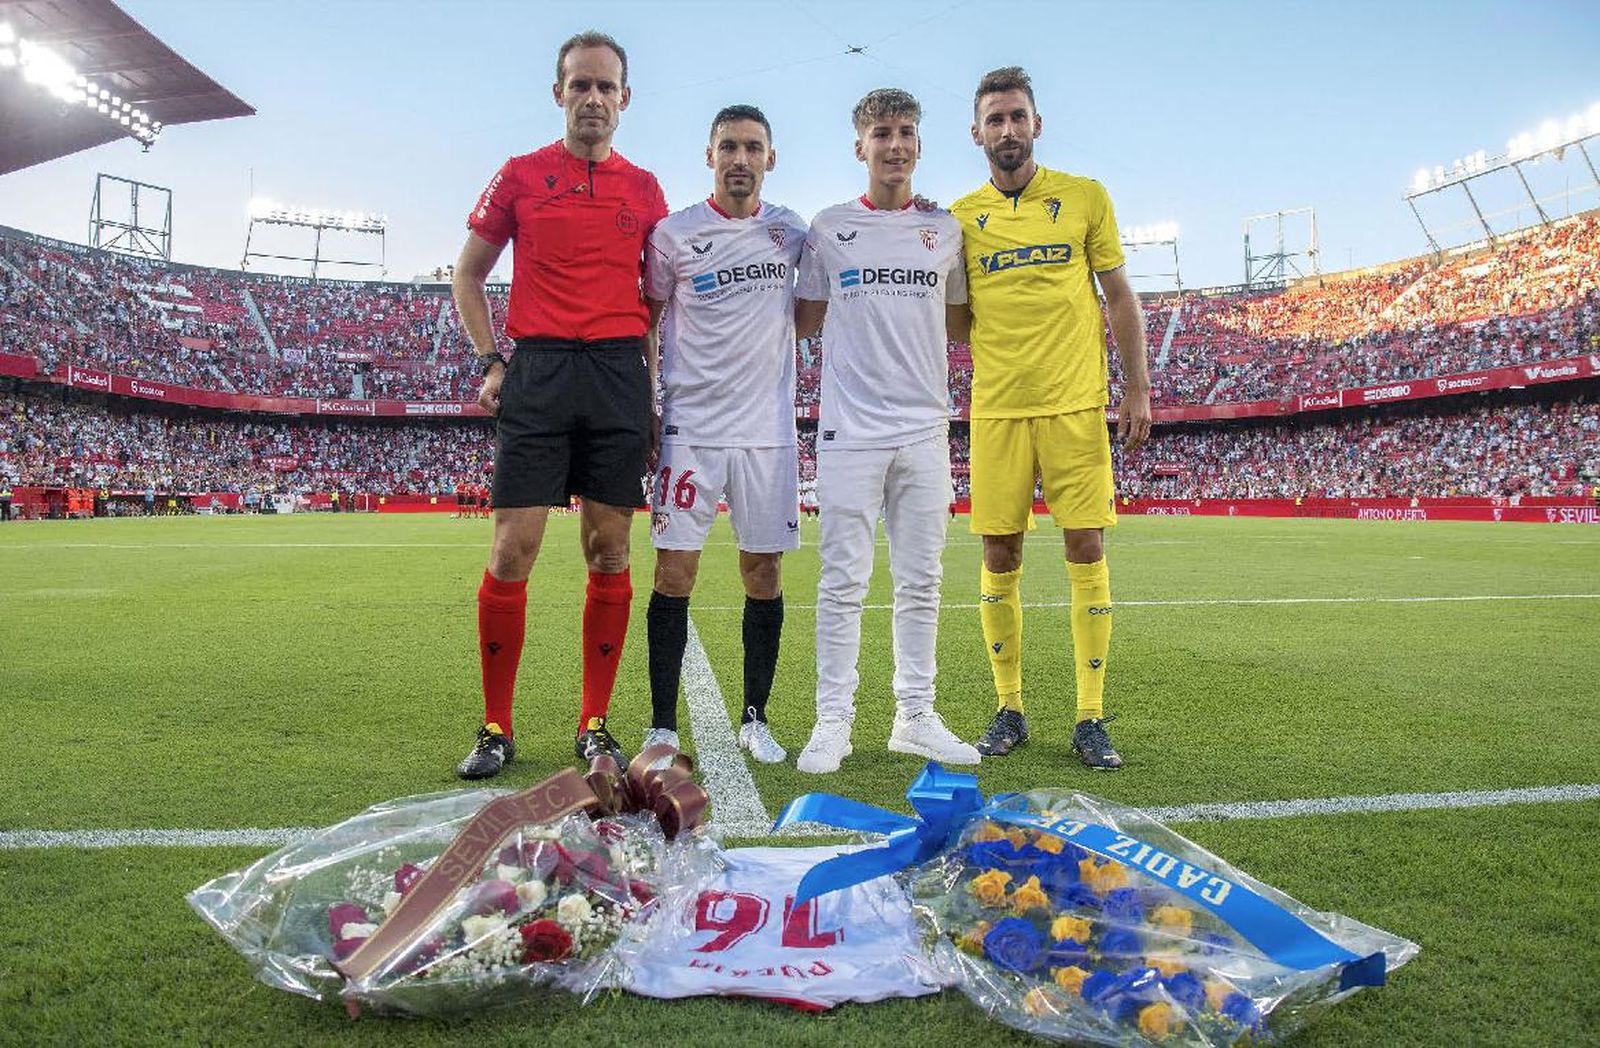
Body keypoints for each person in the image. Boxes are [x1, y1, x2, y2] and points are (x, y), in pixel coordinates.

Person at [451, 30, 668, 779]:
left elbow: (652, 303)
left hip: (615, 374)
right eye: (580, 85)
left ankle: (594, 724)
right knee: (514, 551)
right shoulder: (519, 175)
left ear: (625, 100)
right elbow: (469, 275)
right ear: (558, 94)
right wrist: (491, 360)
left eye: (606, 87)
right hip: (538, 370)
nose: (593, 99)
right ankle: (494, 725)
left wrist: (653, 389)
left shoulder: (645, 190)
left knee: (609, 549)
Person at [947, 66, 1152, 770]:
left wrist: (1138, 390)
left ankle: (1090, 718)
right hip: (999, 408)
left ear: (1037, 124)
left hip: (1073, 406)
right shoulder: (960, 218)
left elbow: (1120, 298)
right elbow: (955, 320)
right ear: (977, 133)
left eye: (1018, 116)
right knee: (998, 554)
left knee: (1086, 548)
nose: (1007, 129)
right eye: (995, 119)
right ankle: (1010, 709)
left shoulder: (1086, 197)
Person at [791, 88, 981, 774]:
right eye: (881, 132)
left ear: (919, 144)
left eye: (905, 131)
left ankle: (915, 716)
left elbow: (963, 322)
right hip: (850, 430)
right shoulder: (829, 227)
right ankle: (833, 719)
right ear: (860, 146)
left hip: (926, 428)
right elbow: (802, 320)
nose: (894, 144)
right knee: (843, 580)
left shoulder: (947, 230)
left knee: (921, 580)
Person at [641, 104, 806, 764]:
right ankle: (661, 724)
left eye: (754, 148)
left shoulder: (791, 232)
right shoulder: (673, 234)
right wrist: (648, 402)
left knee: (762, 571)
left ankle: (756, 717)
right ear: (709, 156)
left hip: (767, 431)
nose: (741, 158)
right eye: (729, 147)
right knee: (674, 571)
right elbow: (647, 319)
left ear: (771, 158)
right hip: (693, 428)